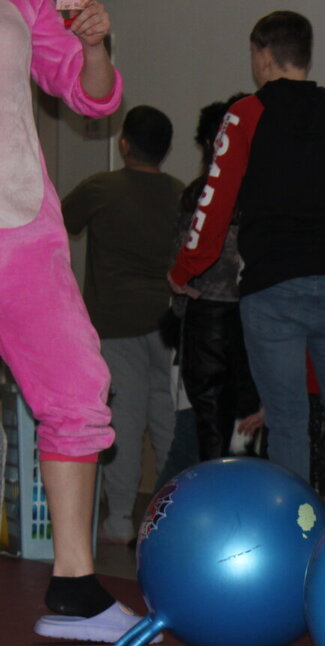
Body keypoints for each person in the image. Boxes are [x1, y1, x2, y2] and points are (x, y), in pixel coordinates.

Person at [169, 10, 325, 501]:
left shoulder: (246, 114)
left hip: (274, 285)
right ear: (305, 56)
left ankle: (293, 531)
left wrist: (186, 269)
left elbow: (215, 200)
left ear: (262, 56)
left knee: (286, 421)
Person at [4, 0, 150, 642]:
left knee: (76, 386)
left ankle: (74, 588)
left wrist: (93, 44)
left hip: (19, 226)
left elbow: (92, 97)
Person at [62, 105, 183, 545]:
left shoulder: (101, 187)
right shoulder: (180, 193)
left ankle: (118, 520)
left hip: (114, 322)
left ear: (125, 144)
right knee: (168, 421)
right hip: (169, 322)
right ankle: (172, 520)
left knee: (124, 421)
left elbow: (61, 221)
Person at [175, 94, 261, 465]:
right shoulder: (262, 194)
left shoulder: (199, 194)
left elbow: (185, 259)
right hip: (255, 314)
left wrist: (179, 290)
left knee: (210, 426)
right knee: (249, 429)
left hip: (206, 314)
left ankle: (210, 492)